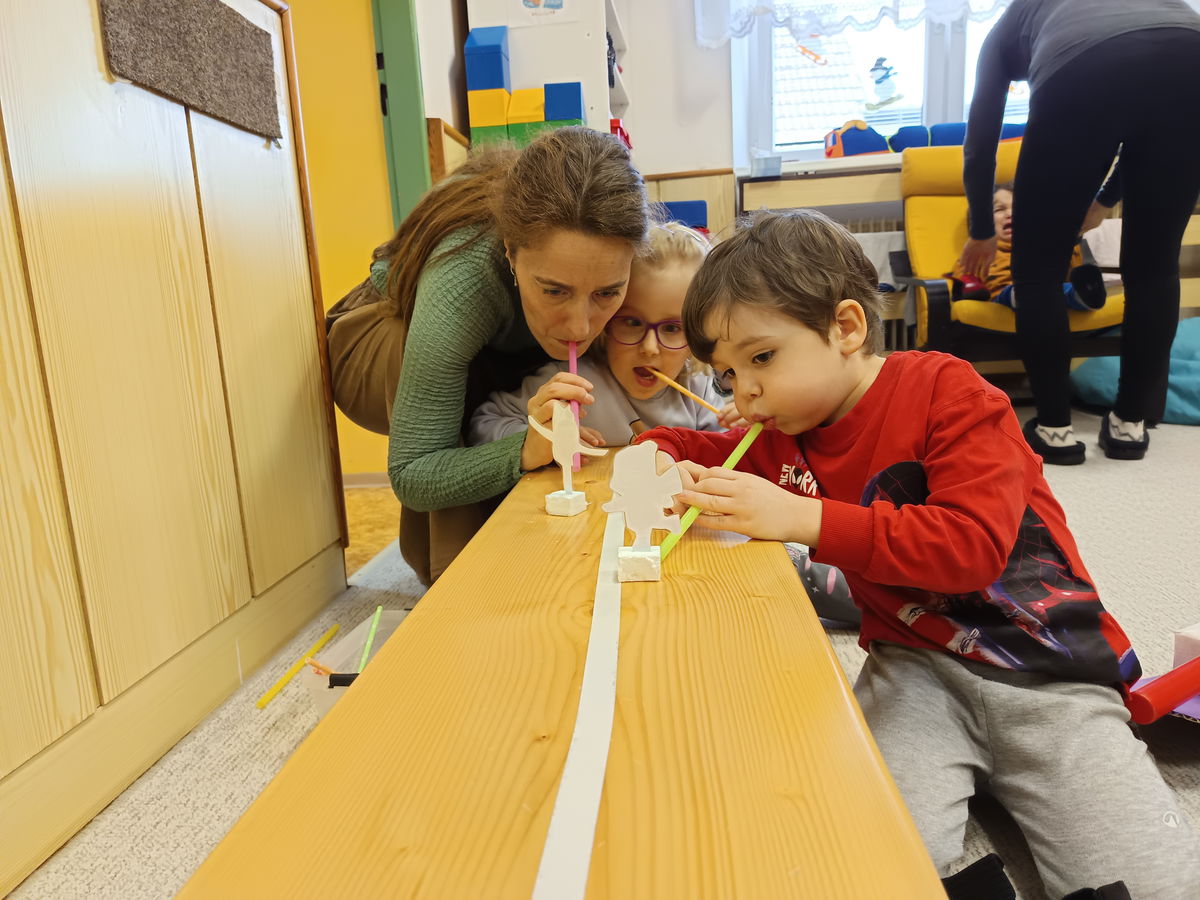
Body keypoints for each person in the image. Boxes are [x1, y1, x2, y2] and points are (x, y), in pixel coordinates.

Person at [638, 210, 1200, 899]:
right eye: (726, 375)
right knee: (855, 861)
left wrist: (804, 518)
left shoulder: (951, 392)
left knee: (1155, 886)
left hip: (1050, 671)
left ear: (846, 328)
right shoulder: (782, 431)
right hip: (913, 670)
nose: (743, 392)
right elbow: (689, 446)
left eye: (761, 358)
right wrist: (659, 457)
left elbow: (971, 548)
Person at [325, 127, 650, 585]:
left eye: (607, 293)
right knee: (464, 407)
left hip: (494, 340)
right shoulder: (464, 277)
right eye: (554, 290)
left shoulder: (623, 244)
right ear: (510, 253)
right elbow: (414, 472)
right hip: (370, 344)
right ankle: (462, 583)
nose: (580, 327)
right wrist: (524, 449)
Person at [958, 0, 1200, 465]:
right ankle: (1130, 425)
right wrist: (1106, 199)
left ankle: (1054, 429)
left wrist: (983, 228)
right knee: (1155, 268)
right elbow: (1147, 124)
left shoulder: (1007, 28)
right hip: (1193, 53)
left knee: (1037, 272)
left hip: (1083, 68)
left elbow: (981, 138)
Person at [468, 221, 730, 449]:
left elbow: (727, 452)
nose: (650, 348)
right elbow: (485, 423)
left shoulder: (699, 391)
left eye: (672, 329)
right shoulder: (571, 383)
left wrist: (745, 429)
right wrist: (540, 438)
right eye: (631, 322)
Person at [950, 182, 1106, 313]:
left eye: (1017, 207)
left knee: (1063, 289)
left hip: (1053, 292)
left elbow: (1071, 268)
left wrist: (1067, 241)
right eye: (999, 209)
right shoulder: (980, 252)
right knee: (1021, 292)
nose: (1010, 213)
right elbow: (962, 276)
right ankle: (1031, 295)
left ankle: (1084, 295)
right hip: (1005, 299)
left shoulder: (1045, 243)